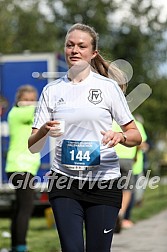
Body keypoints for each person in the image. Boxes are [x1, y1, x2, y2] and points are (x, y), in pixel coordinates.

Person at [28, 23, 141, 252]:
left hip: (104, 183)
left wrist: (119, 136)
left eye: (81, 46)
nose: (75, 50)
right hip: (64, 182)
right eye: (70, 45)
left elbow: (135, 135)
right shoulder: (52, 90)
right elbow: (33, 146)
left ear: (93, 53)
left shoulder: (108, 87)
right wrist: (44, 130)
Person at [5, 85, 41, 252]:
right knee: (26, 208)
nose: (29, 103)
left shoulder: (28, 115)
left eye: (32, 99)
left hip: (24, 167)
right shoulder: (18, 113)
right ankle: (20, 247)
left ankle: (15, 246)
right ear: (19, 100)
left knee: (20, 207)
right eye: (26, 100)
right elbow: (41, 109)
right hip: (20, 166)